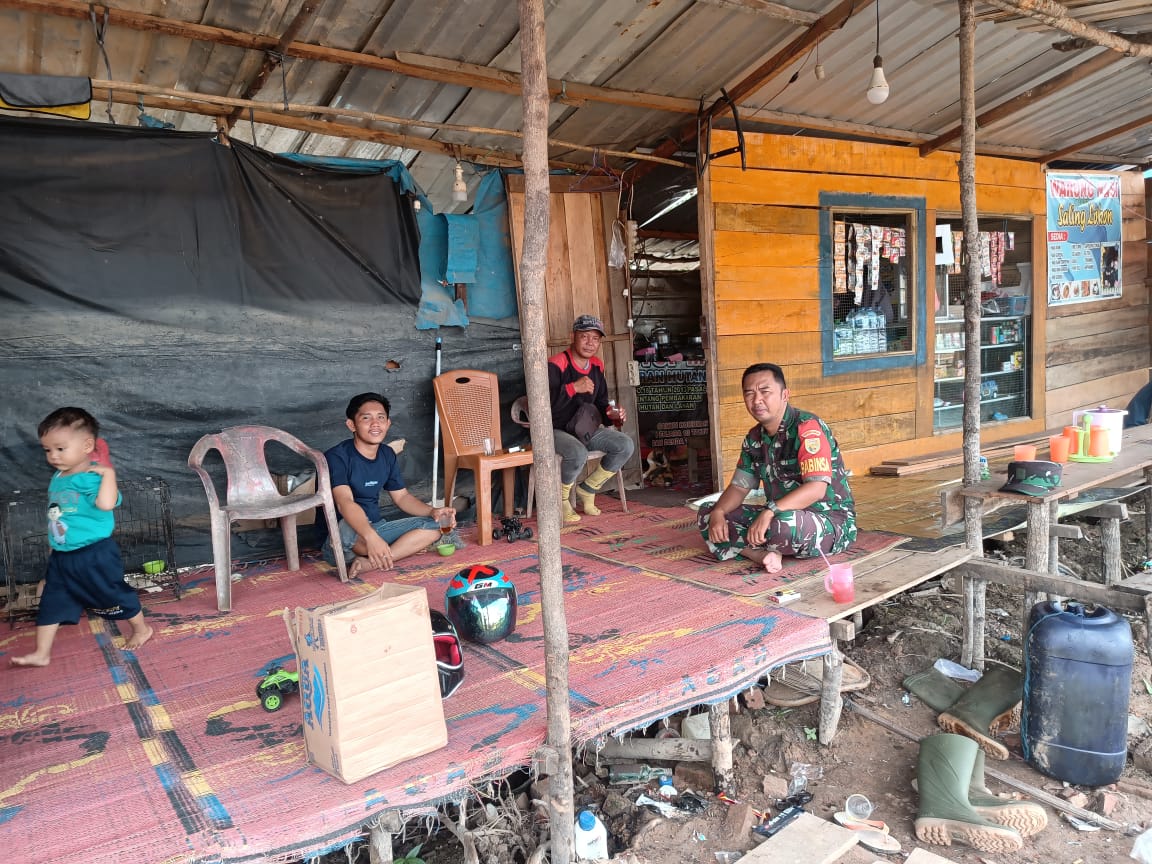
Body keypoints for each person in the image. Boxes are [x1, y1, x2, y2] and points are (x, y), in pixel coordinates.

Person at [12, 408, 152, 667]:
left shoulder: (92, 477)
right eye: (47, 450)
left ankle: (142, 629)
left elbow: (107, 504)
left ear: (87, 446)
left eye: (60, 449)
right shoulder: (59, 476)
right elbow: (61, 517)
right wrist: (55, 548)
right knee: (52, 599)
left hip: (94, 553)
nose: (53, 456)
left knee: (111, 593)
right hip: (63, 554)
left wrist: (109, 474)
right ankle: (42, 653)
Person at [699, 363, 856, 573]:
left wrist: (770, 511)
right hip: (777, 514)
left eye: (765, 392)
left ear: (784, 395)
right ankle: (760, 554)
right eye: (749, 393)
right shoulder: (754, 438)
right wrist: (719, 512)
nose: (757, 400)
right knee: (709, 514)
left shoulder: (807, 428)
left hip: (829, 520)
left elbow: (816, 489)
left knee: (782, 525)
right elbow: (738, 487)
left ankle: (755, 545)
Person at [323, 392, 455, 577]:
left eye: (381, 418)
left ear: (388, 423)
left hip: (377, 529)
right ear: (351, 424)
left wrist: (433, 511)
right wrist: (371, 537)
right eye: (366, 418)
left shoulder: (387, 454)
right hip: (340, 539)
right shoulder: (337, 457)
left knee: (436, 526)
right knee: (349, 524)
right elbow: (344, 503)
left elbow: (402, 497)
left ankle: (370, 563)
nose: (375, 424)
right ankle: (387, 551)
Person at [548, 314, 636, 522]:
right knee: (577, 452)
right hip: (555, 429)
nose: (590, 343)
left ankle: (588, 489)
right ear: (573, 337)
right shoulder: (556, 364)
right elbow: (543, 406)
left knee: (625, 445)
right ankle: (561, 500)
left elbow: (602, 402)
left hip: (585, 428)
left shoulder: (596, 366)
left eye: (595, 338)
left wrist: (612, 413)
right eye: (584, 336)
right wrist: (572, 388)